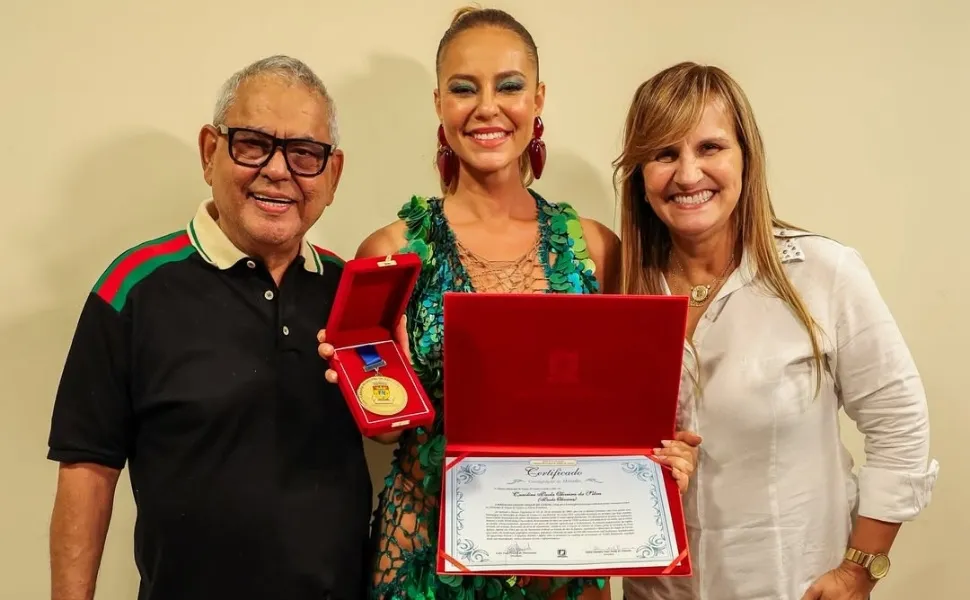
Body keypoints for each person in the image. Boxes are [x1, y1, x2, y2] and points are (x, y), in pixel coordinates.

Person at [315, 7, 700, 600]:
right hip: (425, 557)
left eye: (510, 86)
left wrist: (664, 460)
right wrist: (364, 377)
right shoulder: (394, 252)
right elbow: (388, 434)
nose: (487, 107)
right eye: (464, 89)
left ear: (539, 98)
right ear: (439, 102)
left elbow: (624, 412)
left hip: (563, 558)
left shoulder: (595, 248)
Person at [46, 55, 376, 600]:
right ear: (209, 152)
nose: (277, 170)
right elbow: (88, 468)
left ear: (332, 174)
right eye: (252, 143)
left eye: (304, 154)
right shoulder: (134, 287)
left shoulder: (351, 292)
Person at [614, 61, 940, 600]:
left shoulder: (823, 273)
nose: (688, 175)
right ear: (640, 175)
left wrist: (858, 570)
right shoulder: (617, 289)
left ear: (747, 156)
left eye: (710, 147)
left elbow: (899, 426)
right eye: (664, 154)